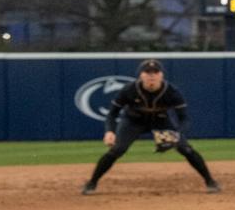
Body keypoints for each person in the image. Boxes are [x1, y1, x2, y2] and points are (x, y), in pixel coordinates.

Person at [82, 58, 221, 195]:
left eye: (155, 72)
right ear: (141, 75)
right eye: (148, 72)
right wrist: (109, 131)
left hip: (160, 120)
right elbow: (112, 113)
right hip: (133, 121)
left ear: (161, 75)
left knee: (185, 148)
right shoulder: (129, 90)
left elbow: (184, 119)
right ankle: (92, 182)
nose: (152, 75)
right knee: (117, 149)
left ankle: (210, 181)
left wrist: (177, 135)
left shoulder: (171, 92)